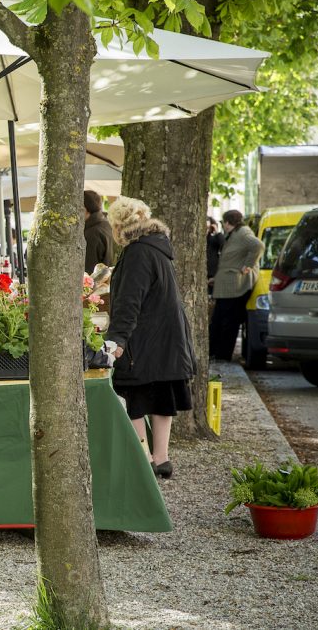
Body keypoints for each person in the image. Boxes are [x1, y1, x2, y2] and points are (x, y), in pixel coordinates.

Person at [105, 196, 195, 479]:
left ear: (119, 227)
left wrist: (117, 340)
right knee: (160, 396)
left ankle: (143, 458)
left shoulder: (137, 253)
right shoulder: (157, 248)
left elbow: (129, 302)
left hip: (145, 338)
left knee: (134, 393)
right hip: (168, 338)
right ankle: (162, 457)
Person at [209, 209, 264, 361]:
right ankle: (215, 351)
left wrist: (247, 266)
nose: (223, 226)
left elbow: (258, 246)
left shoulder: (243, 233)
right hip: (227, 286)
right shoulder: (235, 234)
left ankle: (223, 354)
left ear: (228, 222)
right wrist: (217, 278)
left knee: (228, 323)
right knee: (219, 322)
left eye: (223, 222)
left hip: (234, 287)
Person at [84, 190, 114, 274]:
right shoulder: (105, 224)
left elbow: (88, 270)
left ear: (85, 208)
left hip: (94, 283)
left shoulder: (92, 233)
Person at [206, 216, 225, 296]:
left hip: (212, 272)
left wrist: (217, 232)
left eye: (207, 227)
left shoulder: (214, 238)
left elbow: (224, 245)